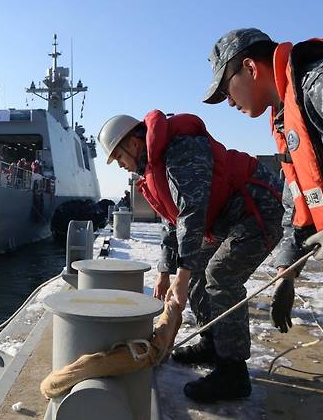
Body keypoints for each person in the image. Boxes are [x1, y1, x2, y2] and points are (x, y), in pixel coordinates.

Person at [203, 28, 323, 418]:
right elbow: (297, 206)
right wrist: (286, 273)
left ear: (249, 67)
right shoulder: (288, 117)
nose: (227, 103)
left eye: (226, 90)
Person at [98, 110, 284, 402]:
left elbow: (193, 210)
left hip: (257, 209)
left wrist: (181, 273)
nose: (121, 166)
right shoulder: (151, 168)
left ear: (133, 144)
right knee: (198, 274)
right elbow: (171, 221)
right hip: (228, 219)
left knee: (220, 277)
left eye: (119, 158)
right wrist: (164, 271)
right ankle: (212, 343)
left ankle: (234, 374)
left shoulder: (180, 147)